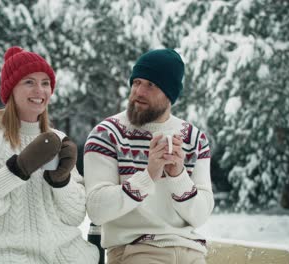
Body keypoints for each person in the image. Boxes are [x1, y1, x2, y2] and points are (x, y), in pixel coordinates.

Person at [0, 46, 99, 264]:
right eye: (29, 82)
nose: (40, 90)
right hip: (9, 254)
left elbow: (74, 216)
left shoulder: (56, 139)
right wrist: (17, 169)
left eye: (45, 83)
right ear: (11, 89)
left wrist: (62, 181)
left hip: (68, 254)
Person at [84, 49, 214, 264]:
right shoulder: (107, 134)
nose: (139, 92)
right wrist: (149, 175)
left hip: (192, 252)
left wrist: (178, 175)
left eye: (151, 85)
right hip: (136, 251)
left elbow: (200, 216)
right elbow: (97, 210)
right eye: (136, 82)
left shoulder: (194, 139)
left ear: (169, 93)